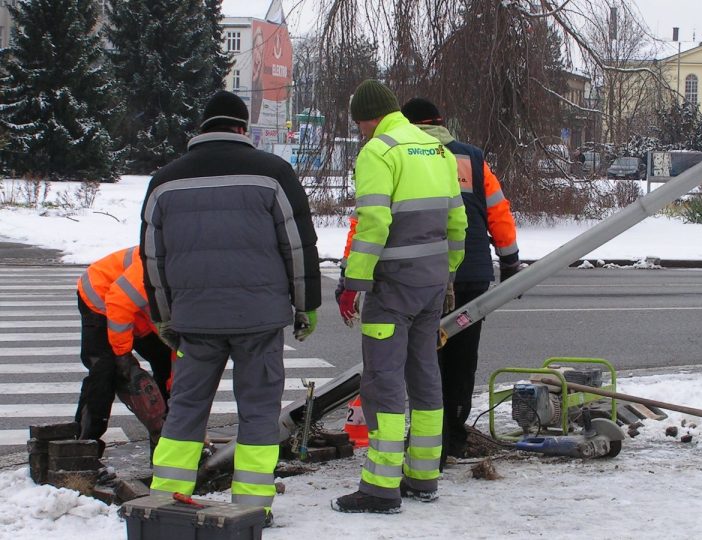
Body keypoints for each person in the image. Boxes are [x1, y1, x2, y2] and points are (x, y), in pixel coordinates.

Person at [140, 90, 321, 523]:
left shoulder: (164, 181)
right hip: (259, 319)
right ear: (242, 129)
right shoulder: (274, 173)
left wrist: (164, 315)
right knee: (258, 410)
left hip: (195, 320)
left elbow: (153, 257)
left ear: (203, 128)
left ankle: (165, 501)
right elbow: (297, 246)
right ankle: (252, 507)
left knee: (185, 407)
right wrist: (305, 304)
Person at [331, 80, 467, 514]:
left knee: (382, 382)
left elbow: (372, 222)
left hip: (393, 287)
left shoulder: (379, 151)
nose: (361, 133)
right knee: (425, 376)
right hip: (430, 286)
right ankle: (424, 476)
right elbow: (457, 223)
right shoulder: (437, 151)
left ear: (366, 118)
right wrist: (446, 272)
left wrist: (355, 282)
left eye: (359, 125)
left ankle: (380, 486)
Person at [400, 97, 521, 466]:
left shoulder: (403, 156)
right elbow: (498, 211)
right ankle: (453, 433)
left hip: (422, 276)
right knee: (462, 359)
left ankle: (426, 439)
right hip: (471, 275)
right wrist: (510, 260)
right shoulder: (471, 157)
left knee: (424, 359)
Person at [75, 246, 172, 456]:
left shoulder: (196, 286)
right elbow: (118, 302)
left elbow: (177, 346)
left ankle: (165, 442)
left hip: (139, 311)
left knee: (166, 363)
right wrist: (123, 355)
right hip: (100, 297)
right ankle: (84, 447)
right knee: (105, 370)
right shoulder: (155, 265)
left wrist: (174, 388)